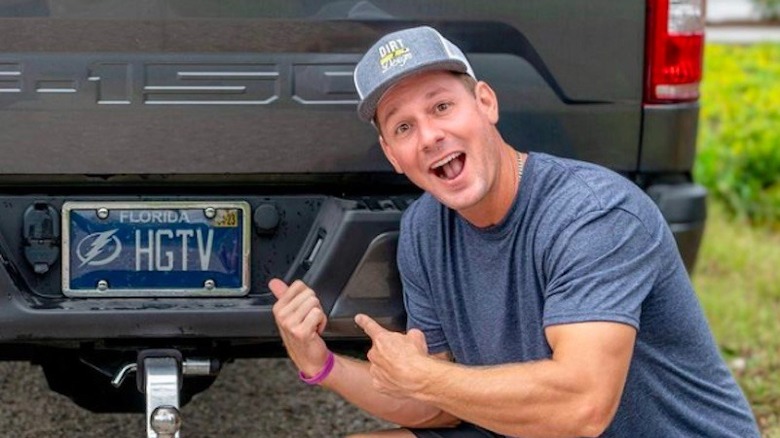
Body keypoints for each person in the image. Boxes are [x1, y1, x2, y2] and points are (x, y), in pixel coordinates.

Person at [268, 26, 760, 437]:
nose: (430, 136)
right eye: (403, 127)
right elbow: (440, 406)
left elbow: (583, 405)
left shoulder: (592, 213)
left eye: (441, 107)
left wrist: (425, 376)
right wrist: (322, 365)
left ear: (485, 103)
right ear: (393, 156)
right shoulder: (423, 230)